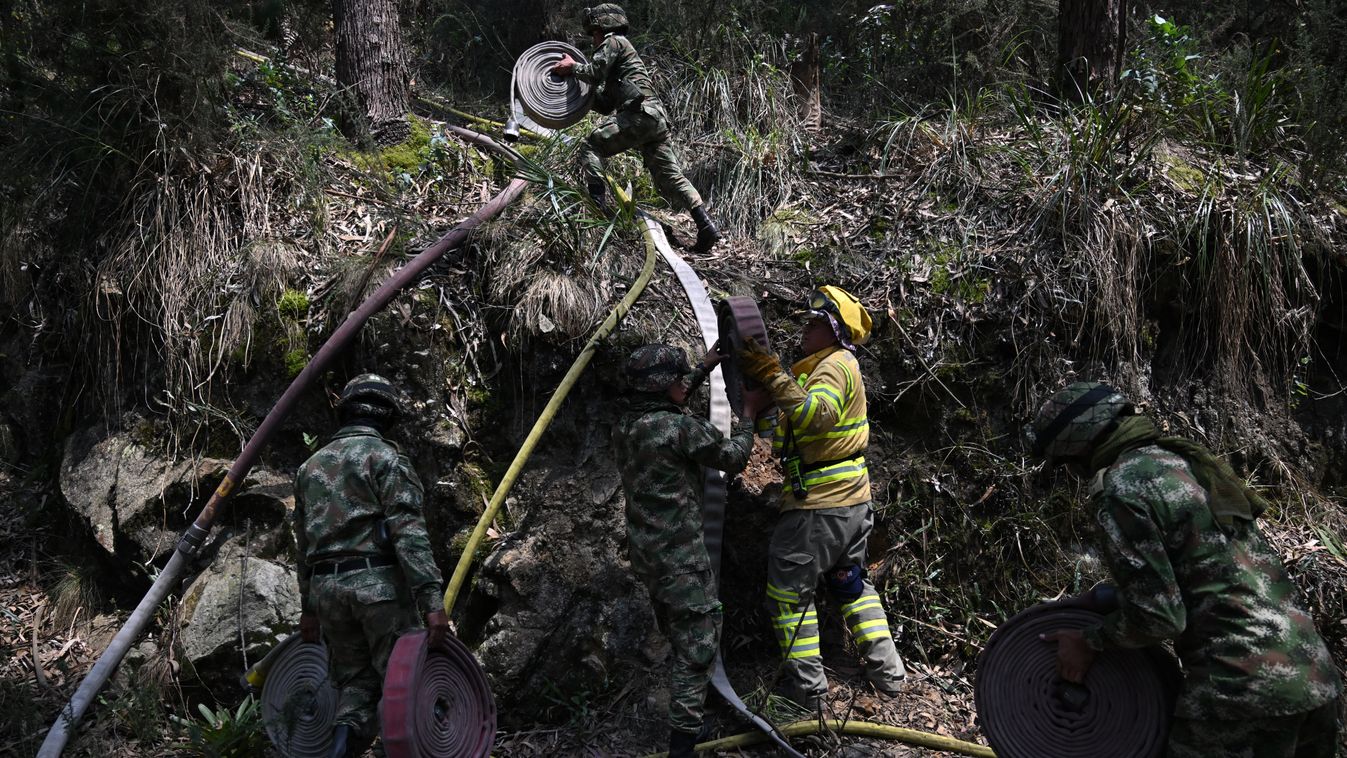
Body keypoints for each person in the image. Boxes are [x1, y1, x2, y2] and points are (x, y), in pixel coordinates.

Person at [1029, 381, 1342, 758]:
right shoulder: (1185, 464)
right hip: (1313, 674)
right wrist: (1102, 600)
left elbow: (1160, 617)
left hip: (1239, 688)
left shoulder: (1123, 491)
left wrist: (1089, 641)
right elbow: (1209, 575)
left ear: (1078, 451)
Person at [736, 286, 907, 709]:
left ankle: (808, 695)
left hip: (820, 506)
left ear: (832, 328)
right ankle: (891, 676)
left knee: (788, 596)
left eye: (813, 323)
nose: (805, 330)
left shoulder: (833, 366)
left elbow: (816, 416)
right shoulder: (829, 367)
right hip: (851, 500)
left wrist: (774, 376)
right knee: (850, 583)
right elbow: (787, 437)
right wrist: (761, 408)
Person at [611, 343, 766, 758]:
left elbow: (668, 398)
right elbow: (732, 457)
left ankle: (689, 711)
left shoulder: (627, 423)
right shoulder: (680, 430)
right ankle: (683, 745)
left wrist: (702, 368)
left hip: (648, 557)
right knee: (698, 646)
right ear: (664, 388)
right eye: (678, 380)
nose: (685, 384)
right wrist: (748, 417)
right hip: (680, 559)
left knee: (680, 638)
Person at [293, 373, 448, 758]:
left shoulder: (309, 468)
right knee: (407, 685)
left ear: (345, 412)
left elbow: (303, 544)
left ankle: (340, 751)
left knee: (356, 683)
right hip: (378, 589)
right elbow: (409, 535)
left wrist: (308, 609)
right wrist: (432, 602)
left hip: (326, 592)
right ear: (388, 415)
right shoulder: (387, 459)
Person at [550, 4, 721, 253]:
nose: (594, 39)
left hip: (639, 115)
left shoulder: (614, 41)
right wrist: (576, 91)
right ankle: (705, 224)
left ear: (604, 28)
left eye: (595, 33)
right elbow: (605, 104)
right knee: (670, 176)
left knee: (590, 145)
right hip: (654, 120)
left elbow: (594, 71)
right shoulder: (620, 65)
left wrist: (572, 68)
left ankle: (596, 205)